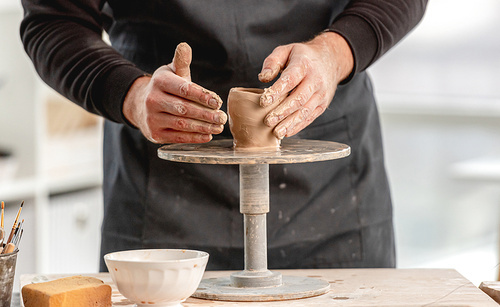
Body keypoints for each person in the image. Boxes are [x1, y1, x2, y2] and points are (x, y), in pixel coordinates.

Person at [20, 1, 427, 271]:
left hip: (330, 193)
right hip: (163, 188)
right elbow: (54, 20)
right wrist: (131, 93)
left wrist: (334, 53)